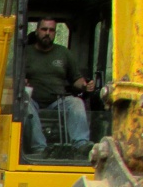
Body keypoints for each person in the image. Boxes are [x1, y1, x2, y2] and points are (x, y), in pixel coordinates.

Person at [23, 17, 94, 152]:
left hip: (58, 101)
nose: (47, 33)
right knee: (24, 103)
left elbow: (76, 79)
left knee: (76, 102)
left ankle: (81, 144)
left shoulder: (63, 53)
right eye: (44, 29)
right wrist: (22, 81)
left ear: (55, 33)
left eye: (51, 30)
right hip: (32, 100)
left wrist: (85, 85)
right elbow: (13, 77)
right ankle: (40, 149)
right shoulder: (25, 53)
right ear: (37, 31)